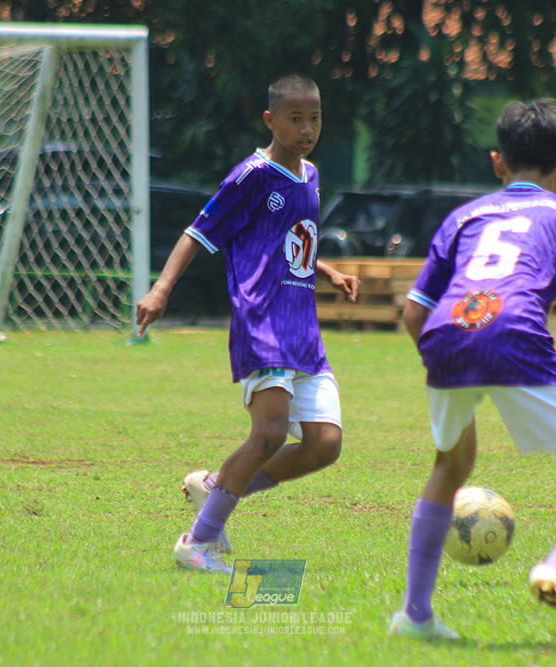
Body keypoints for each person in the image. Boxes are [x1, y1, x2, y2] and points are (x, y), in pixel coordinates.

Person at [390, 99, 556, 641]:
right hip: (515, 336)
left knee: (450, 464)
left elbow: (413, 313)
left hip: (446, 334)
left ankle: (414, 616)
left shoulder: (463, 216)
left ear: (497, 162)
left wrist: (449, 364)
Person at [135, 72, 360, 573]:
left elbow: (289, 240)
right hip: (263, 320)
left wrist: (327, 269)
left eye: (314, 117)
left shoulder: (312, 175)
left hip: (304, 328)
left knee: (324, 446)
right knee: (270, 434)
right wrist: (161, 288)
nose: (306, 128)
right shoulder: (251, 175)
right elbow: (198, 232)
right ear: (270, 120)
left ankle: (216, 487)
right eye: (295, 118)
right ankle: (199, 542)